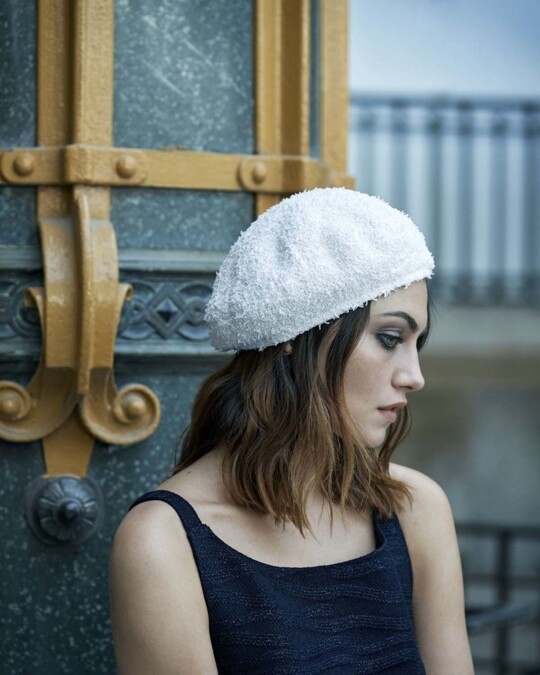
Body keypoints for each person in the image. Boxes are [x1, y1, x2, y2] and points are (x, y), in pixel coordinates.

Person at [109, 188, 474, 674]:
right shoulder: (164, 539)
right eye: (390, 339)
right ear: (295, 334)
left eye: (416, 344)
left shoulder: (414, 509)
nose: (414, 376)